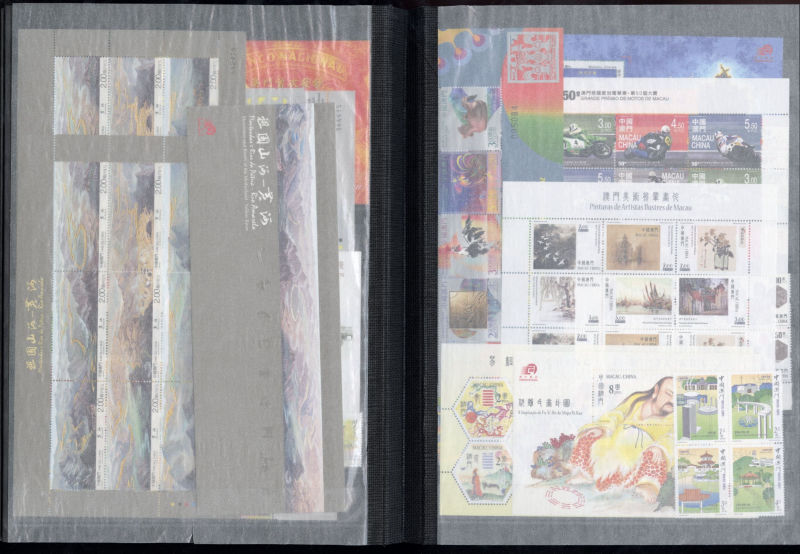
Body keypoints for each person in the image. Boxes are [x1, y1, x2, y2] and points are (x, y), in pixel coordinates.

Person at [566, 376, 674, 503]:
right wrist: (604, 428)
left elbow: (671, 437)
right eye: (668, 394)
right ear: (656, 390)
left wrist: (659, 447)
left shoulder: (675, 418)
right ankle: (584, 473)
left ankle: (647, 485)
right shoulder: (637, 399)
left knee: (658, 455)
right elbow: (617, 414)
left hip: (641, 452)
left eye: (677, 398)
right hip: (615, 443)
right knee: (592, 434)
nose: (672, 400)